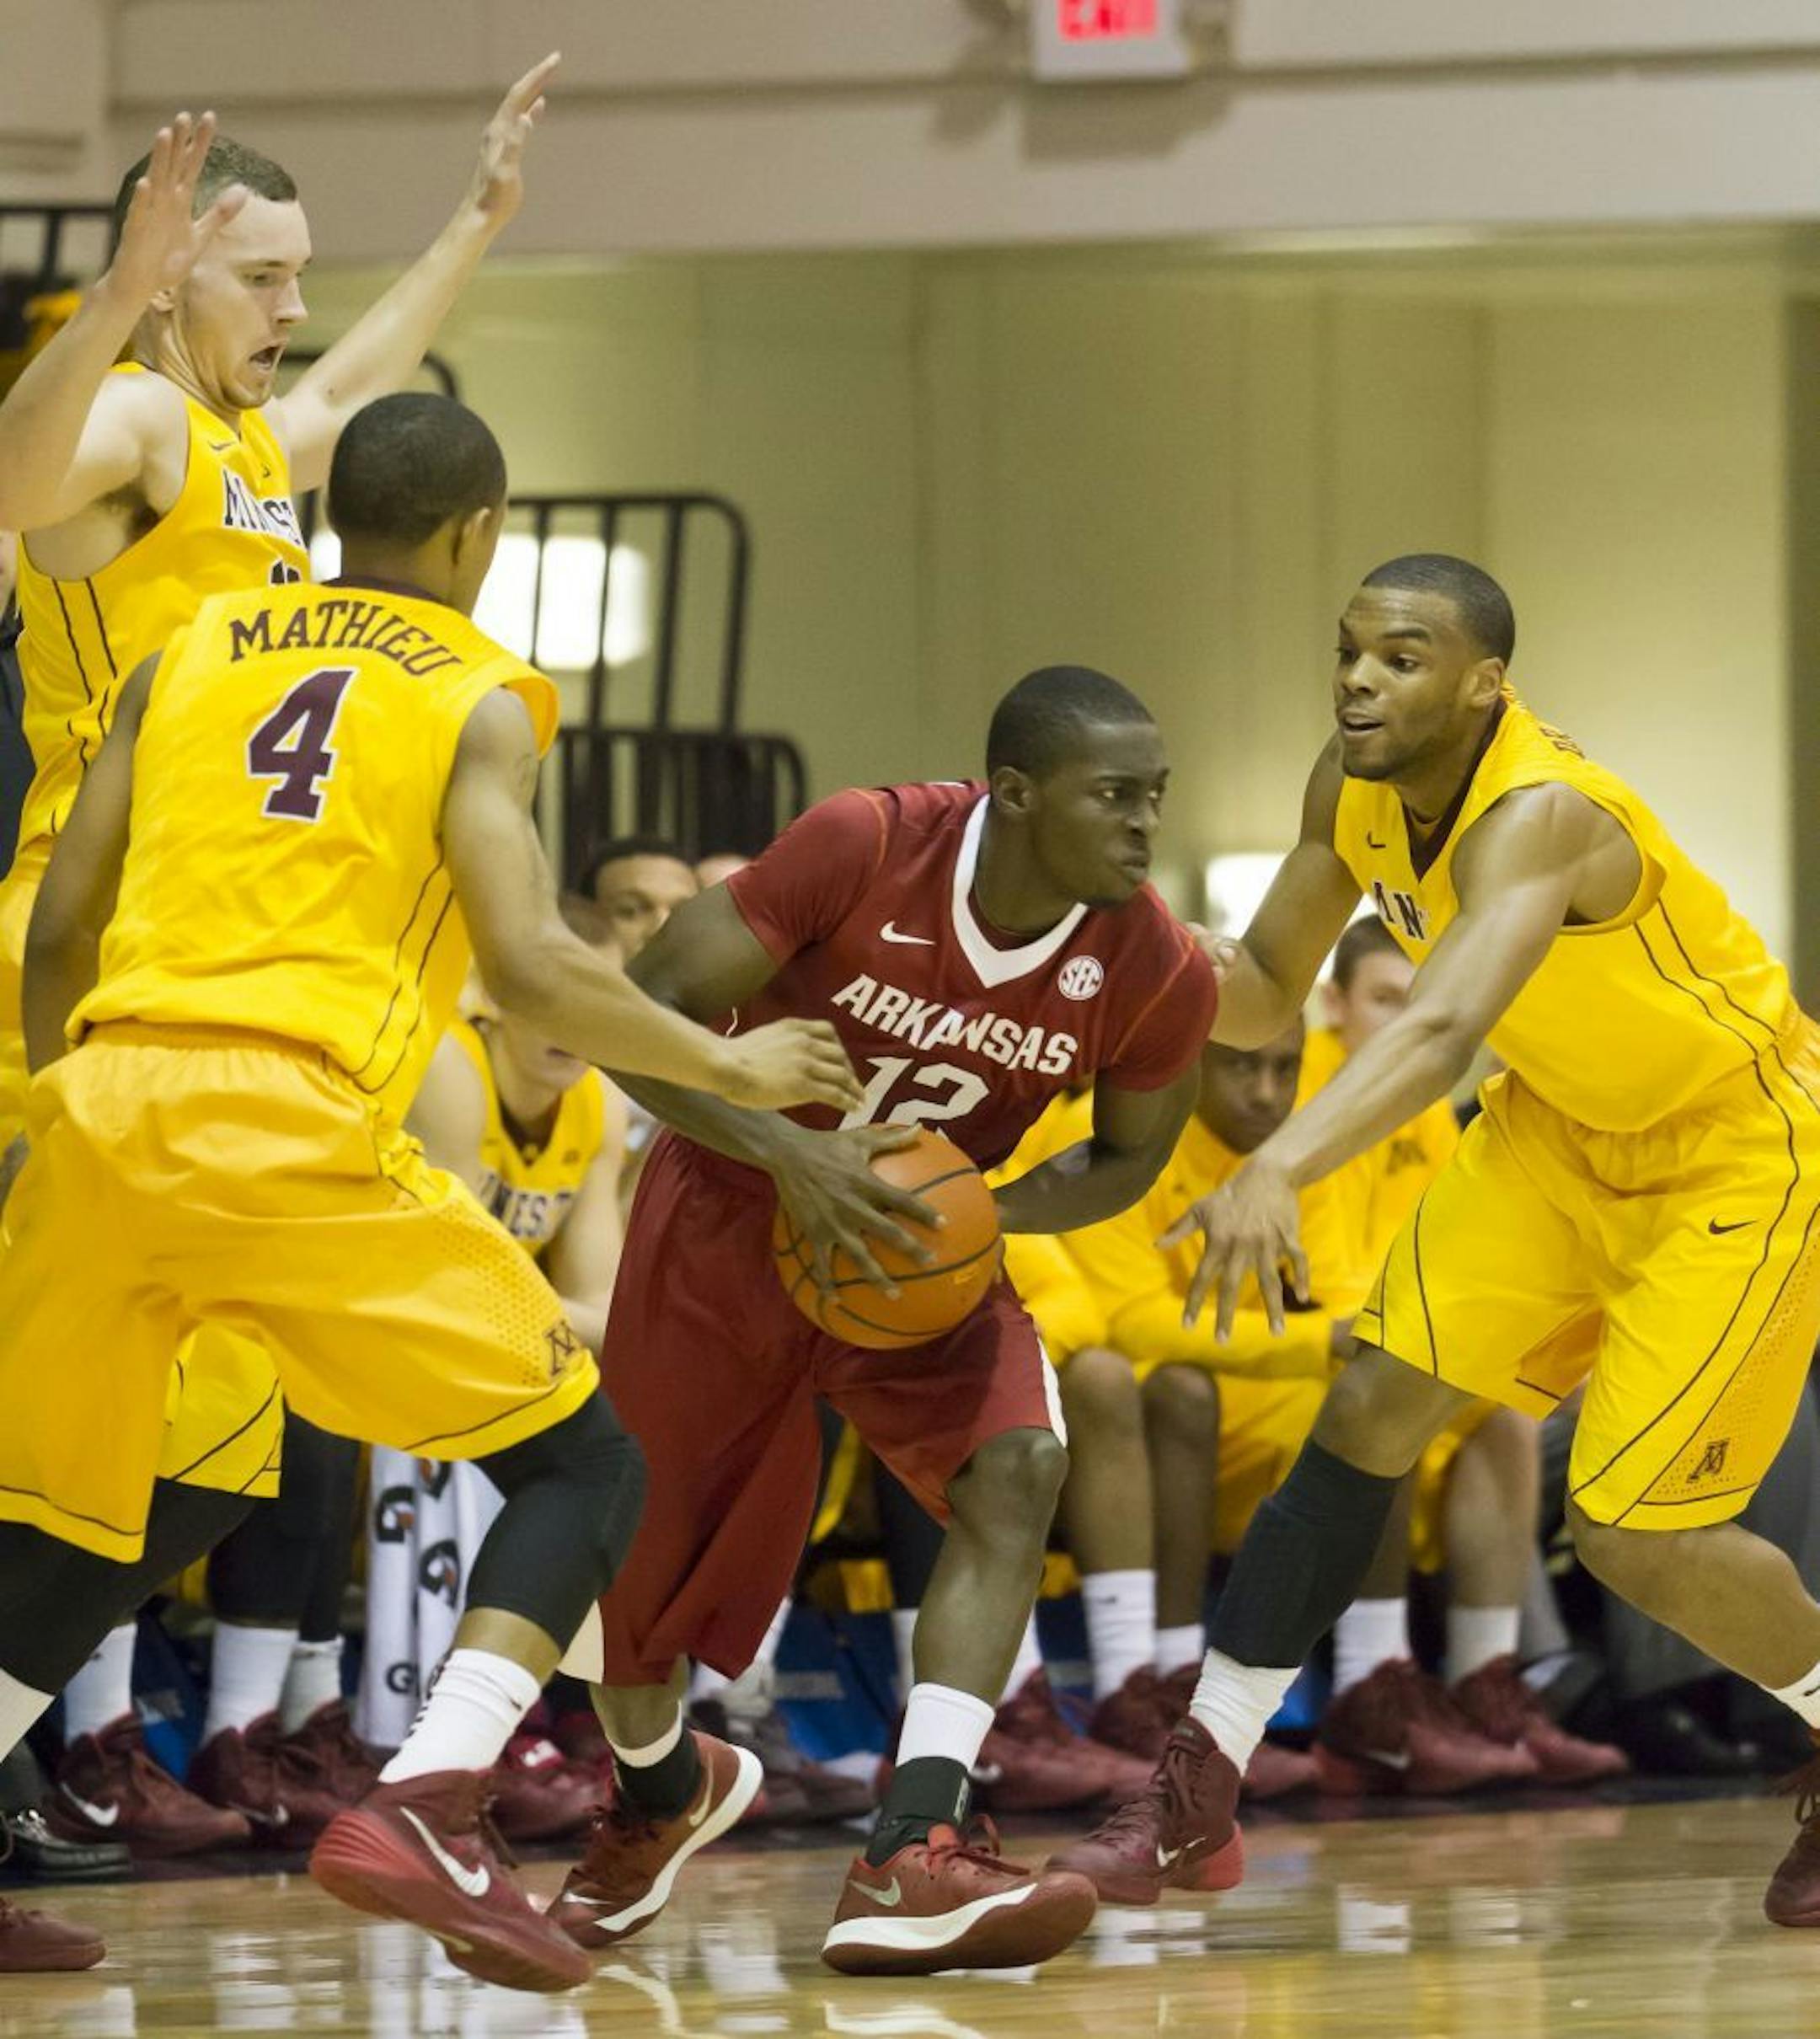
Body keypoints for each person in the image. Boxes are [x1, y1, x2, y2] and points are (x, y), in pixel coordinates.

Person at [0, 393, 857, 1987]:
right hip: (285, 1116)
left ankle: (621, 1792)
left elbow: (61, 924)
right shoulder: (479, 691)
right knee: (585, 1465)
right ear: (482, 536)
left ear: (340, 525)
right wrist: (734, 1069)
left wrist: (72, 1099)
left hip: (98, 1108)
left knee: (77, 1527)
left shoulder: (184, 651)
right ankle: (430, 1794)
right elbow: (533, 968)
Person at [1052, 553, 1820, 1928]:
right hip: (1556, 1132)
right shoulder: (1340, 789)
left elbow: (1440, 1029)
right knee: (1368, 1404)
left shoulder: (1543, 818)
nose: (1357, 678)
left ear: (1484, 684)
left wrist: (1279, 1164)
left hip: (1736, 1145)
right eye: (1348, 651)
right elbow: (1267, 987)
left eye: (1400, 658)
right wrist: (1098, 955)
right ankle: (1195, 1792)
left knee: (1637, 1532)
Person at [0, 67, 565, 1837]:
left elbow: (347, 384)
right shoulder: (132, 426)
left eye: (306, 271)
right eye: (260, 273)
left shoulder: (239, 444)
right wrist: (105, 302)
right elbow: (16, 477)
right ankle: (50, 1765)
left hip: (186, 945)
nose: (296, 308)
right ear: (170, 273)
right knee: (95, 1432)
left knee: (206, 1434)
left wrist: (478, 222)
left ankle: (44, 1760)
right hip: (78, 948)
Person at [545, 666, 1219, 1977]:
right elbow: (631, 1020)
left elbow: (1130, 1157)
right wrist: (786, 1154)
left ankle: (913, 1845)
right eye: (1116, 798)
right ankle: (657, 1791)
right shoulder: (866, 843)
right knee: (634, 1602)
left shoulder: (1151, 961)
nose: (1145, 829)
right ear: (1015, 794)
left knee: (1020, 1466)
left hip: (915, 1257)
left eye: (1156, 800)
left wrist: (977, 1212)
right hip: (729, 1210)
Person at [1303, 914, 1626, 1786]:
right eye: (1384, 1001)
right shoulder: (1308, 1096)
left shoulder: (1436, 1119)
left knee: (1504, 1413)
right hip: (1293, 1369)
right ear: (1331, 1004)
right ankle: (1377, 1689)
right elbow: (1336, 1290)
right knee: (1403, 1390)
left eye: (1424, 1006)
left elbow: (1472, 1270)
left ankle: (1488, 1684)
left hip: (1417, 1361)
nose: (1404, 1023)